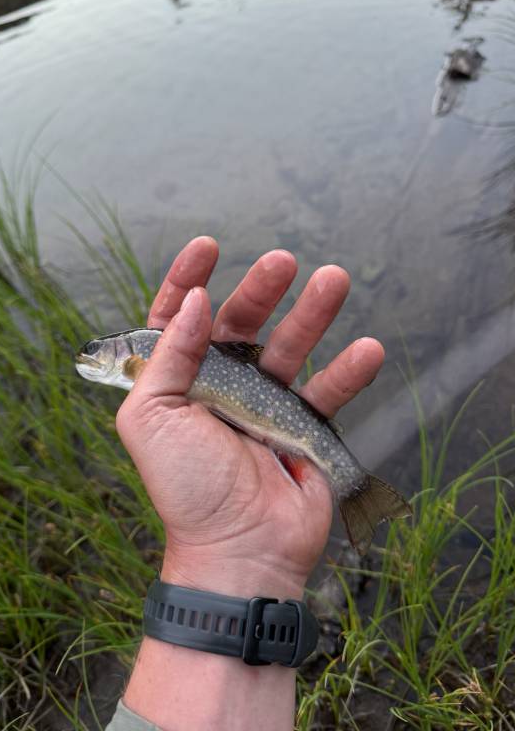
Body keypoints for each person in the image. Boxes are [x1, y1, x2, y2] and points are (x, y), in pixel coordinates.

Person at [104, 237, 384, 731]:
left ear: (121, 354)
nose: (90, 357)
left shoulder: (142, 354)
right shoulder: (151, 360)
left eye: (95, 353)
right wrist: (229, 550)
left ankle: (355, 488)